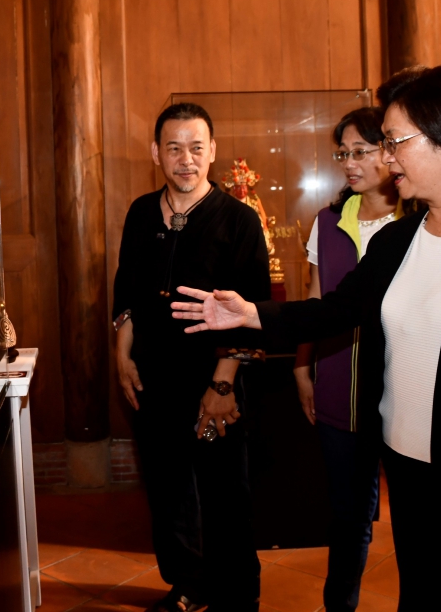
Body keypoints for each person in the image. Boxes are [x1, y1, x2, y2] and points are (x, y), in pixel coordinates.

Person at [171, 65, 441, 611]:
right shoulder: (397, 240)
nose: (386, 158)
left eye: (396, 142)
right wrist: (252, 314)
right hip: (408, 472)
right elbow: (335, 310)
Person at [113, 103, 271, 612]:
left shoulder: (239, 220)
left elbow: (252, 309)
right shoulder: (141, 213)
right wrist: (122, 353)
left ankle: (237, 595)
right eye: (175, 148)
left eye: (197, 148)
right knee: (168, 488)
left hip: (213, 377)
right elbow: (126, 288)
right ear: (156, 152)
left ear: (213, 151)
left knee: (225, 492)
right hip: (153, 376)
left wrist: (222, 385)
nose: (186, 159)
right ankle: (187, 585)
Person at [293, 106, 401, 612]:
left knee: (420, 521)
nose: (350, 163)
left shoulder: (418, 222)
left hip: (404, 392)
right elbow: (316, 301)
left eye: (361, 151)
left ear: (389, 151)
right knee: (348, 517)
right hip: (339, 386)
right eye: (343, 153)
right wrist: (302, 367)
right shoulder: (329, 221)